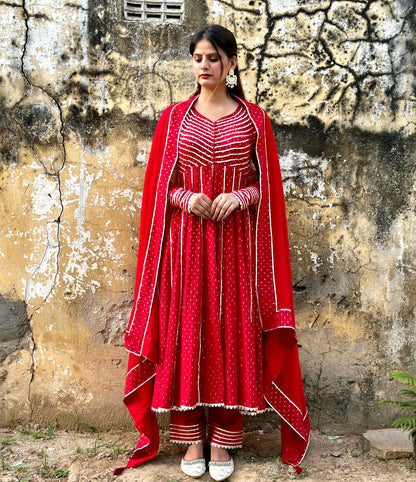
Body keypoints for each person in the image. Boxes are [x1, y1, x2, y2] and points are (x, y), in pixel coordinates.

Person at [115, 24, 310, 480]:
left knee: (231, 329)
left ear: (231, 64)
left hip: (238, 246)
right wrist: (186, 199)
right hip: (184, 247)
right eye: (198, 58)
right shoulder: (175, 119)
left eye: (214, 58)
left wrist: (241, 197)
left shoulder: (255, 119)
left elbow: (270, 190)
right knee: (187, 330)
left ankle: (223, 441)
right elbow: (159, 188)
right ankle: (189, 438)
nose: (204, 66)